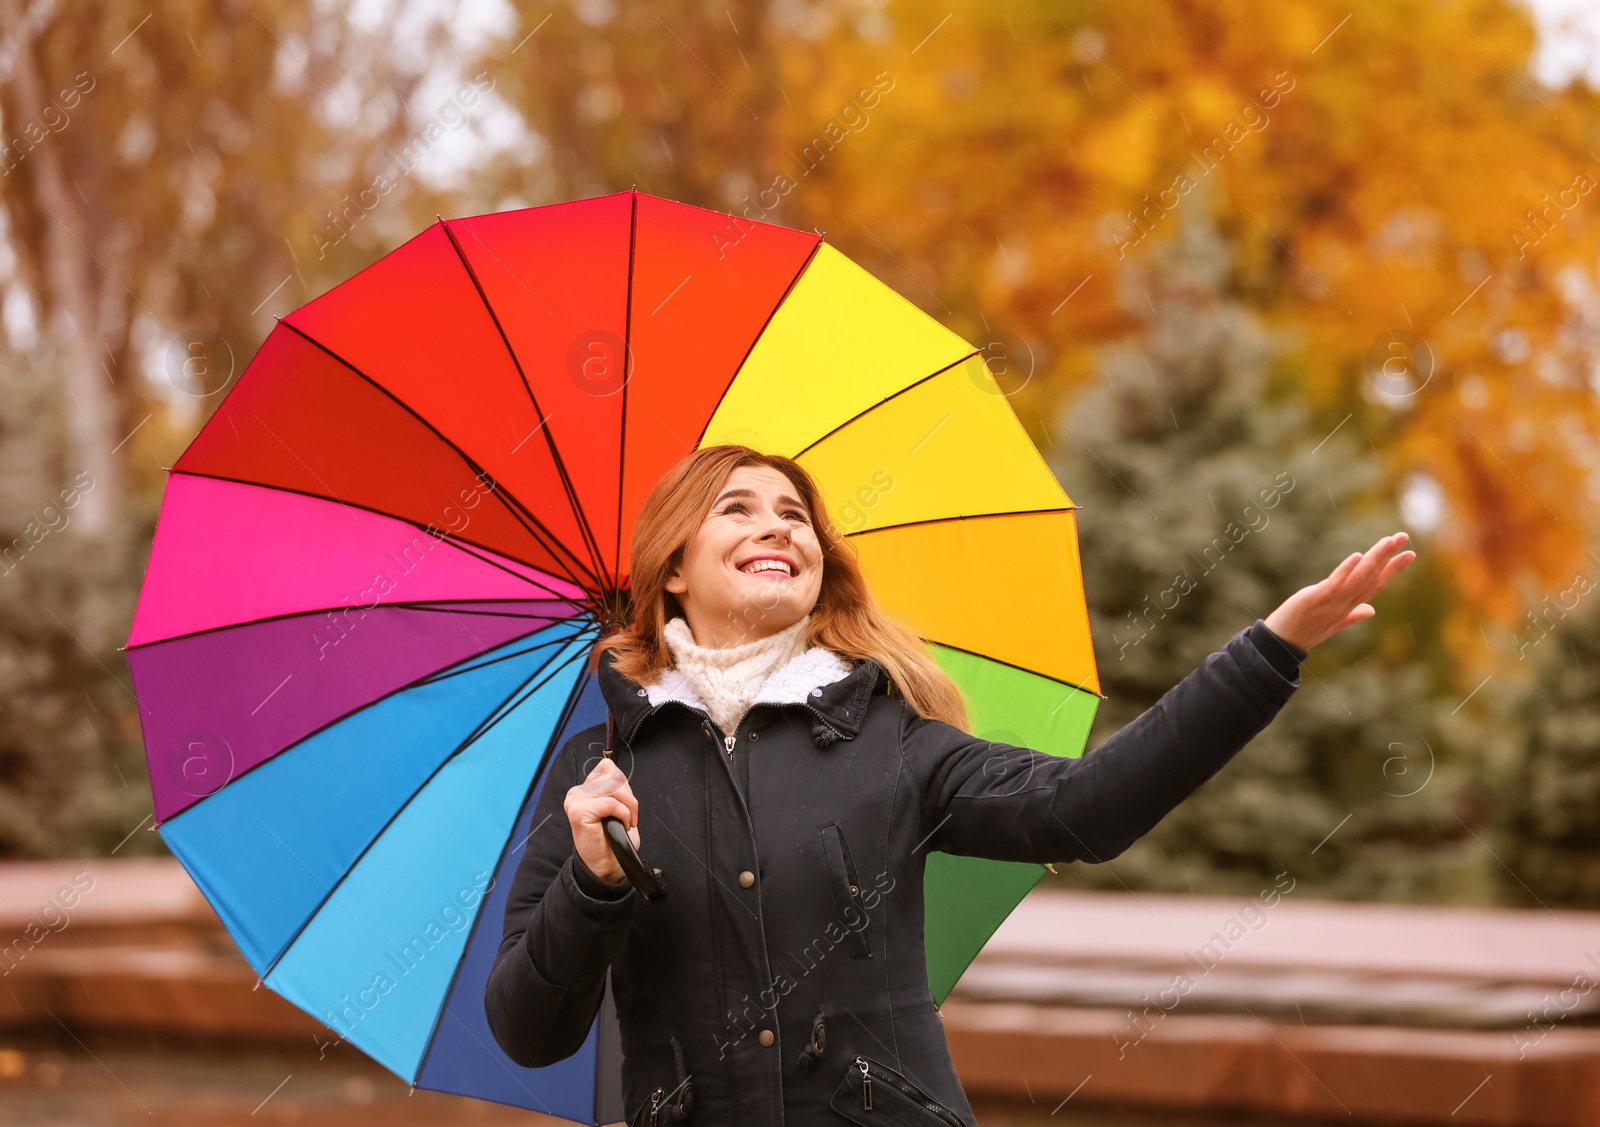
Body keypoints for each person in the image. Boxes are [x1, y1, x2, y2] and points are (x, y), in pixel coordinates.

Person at [484, 444, 1415, 1127]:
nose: (777, 523)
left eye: (795, 513)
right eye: (735, 507)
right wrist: (593, 880)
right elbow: (528, 1030)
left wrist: (1267, 653)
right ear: (673, 568)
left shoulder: (890, 740)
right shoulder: (597, 780)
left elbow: (1088, 809)